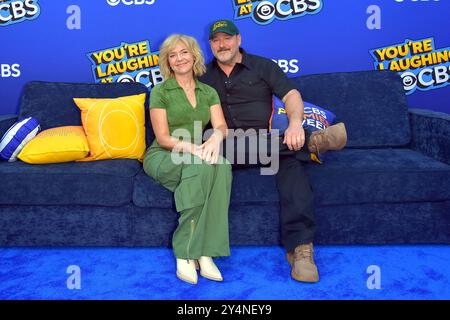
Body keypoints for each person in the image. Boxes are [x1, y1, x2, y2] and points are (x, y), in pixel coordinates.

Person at [199, 20, 347, 283]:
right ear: (210, 44)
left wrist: (293, 124)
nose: (222, 44)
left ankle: (301, 250)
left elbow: (290, 95)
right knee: (219, 141)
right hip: (224, 147)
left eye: (227, 38)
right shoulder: (203, 75)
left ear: (238, 39)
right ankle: (311, 143)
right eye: (216, 40)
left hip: (266, 143)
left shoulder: (263, 66)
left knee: (291, 164)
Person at [143, 34, 232, 285]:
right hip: (164, 155)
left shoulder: (208, 92)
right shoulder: (160, 91)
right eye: (173, 55)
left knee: (222, 166)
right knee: (200, 168)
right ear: (168, 62)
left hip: (197, 153)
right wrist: (196, 149)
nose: (179, 59)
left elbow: (221, 126)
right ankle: (185, 252)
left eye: (184, 52)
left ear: (194, 56)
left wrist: (214, 140)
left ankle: (205, 252)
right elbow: (162, 138)